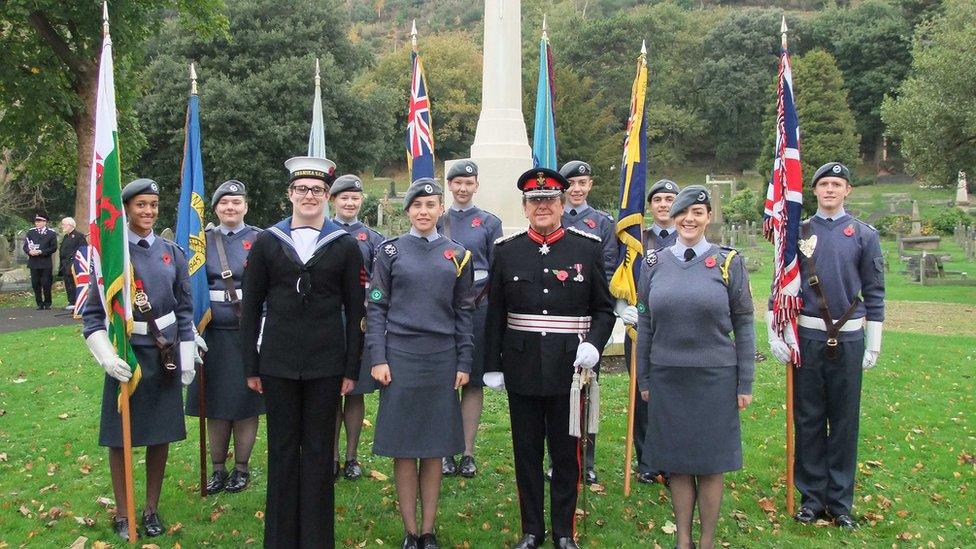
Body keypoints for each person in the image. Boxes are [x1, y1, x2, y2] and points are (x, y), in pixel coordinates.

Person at [484, 168, 615, 549]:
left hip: (569, 368)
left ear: (561, 204)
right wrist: (493, 363)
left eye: (549, 200)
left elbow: (604, 310)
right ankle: (531, 530)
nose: (542, 207)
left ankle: (563, 531)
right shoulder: (507, 251)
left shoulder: (586, 248)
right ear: (525, 208)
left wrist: (594, 342)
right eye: (535, 201)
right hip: (522, 366)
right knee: (525, 453)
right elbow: (495, 312)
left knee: (566, 454)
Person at [240, 156, 365, 549]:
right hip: (276, 363)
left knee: (317, 453)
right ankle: (279, 539)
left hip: (325, 364)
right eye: (301, 189)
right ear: (290, 194)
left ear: (326, 196)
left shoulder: (344, 245)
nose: (309, 196)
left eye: (316, 190)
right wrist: (251, 365)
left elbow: (357, 309)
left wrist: (350, 368)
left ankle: (315, 539)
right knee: (281, 450)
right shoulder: (267, 241)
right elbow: (251, 306)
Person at [635, 185, 755, 549]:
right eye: (684, 212)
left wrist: (744, 381)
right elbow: (645, 323)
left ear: (707, 218)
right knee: (678, 462)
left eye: (698, 213)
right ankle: (683, 539)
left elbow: (745, 322)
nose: (689, 219)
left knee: (710, 462)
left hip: (715, 377)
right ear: (673, 217)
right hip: (668, 376)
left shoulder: (728, 262)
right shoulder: (654, 263)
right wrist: (644, 376)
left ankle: (706, 541)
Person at [767, 162, 885, 530]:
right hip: (809, 336)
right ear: (814, 191)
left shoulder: (864, 235)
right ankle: (811, 497)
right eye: (824, 184)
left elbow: (875, 291)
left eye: (837, 184)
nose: (830, 190)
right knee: (809, 418)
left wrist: (874, 341)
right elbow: (781, 284)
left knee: (845, 421)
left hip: (848, 337)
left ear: (848, 190)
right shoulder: (796, 233)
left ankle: (840, 502)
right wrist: (776, 331)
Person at [81, 178, 197, 540]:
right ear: (127, 209)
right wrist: (105, 355)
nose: (148, 211)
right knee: (121, 439)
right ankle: (122, 511)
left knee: (159, 436)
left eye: (153, 205)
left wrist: (187, 353)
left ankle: (150, 509)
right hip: (126, 357)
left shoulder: (172, 252)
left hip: (163, 357)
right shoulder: (112, 258)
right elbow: (93, 317)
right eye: (140, 205)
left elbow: (185, 308)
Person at [366, 178, 474, 549]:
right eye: (417, 206)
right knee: (404, 446)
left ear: (441, 208)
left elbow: (464, 312)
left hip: (441, 359)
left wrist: (464, 359)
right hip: (400, 359)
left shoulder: (458, 255)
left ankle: (428, 530)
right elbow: (376, 309)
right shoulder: (389, 251)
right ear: (408, 211)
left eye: (431, 205)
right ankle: (410, 531)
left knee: (433, 447)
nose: (424, 212)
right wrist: (378, 357)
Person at [186, 180, 265, 495]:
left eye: (236, 202)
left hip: (249, 334)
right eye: (224, 203)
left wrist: (265, 328)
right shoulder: (202, 242)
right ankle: (218, 469)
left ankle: (242, 469)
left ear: (245, 206)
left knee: (246, 403)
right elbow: (190, 285)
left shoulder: (261, 240)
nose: (230, 207)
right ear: (216, 208)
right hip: (212, 336)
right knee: (216, 404)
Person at [438, 160, 503, 478]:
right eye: (457, 182)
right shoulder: (438, 220)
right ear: (449, 185)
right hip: (442, 311)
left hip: (478, 309)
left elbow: (497, 269)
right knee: (447, 380)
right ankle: (445, 451)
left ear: (476, 186)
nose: (463, 188)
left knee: (472, 381)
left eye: (469, 182)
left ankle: (466, 452)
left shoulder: (490, 223)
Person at [556, 160, 617, 485]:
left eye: (582, 182)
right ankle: (558, 458)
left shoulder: (602, 223)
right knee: (558, 389)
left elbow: (608, 263)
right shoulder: (554, 216)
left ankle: (586, 459)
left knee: (588, 387)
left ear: (590, 185)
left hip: (590, 313)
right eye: (571, 184)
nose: (577, 189)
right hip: (559, 313)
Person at [329, 174, 385, 481]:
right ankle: (330, 456)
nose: (349, 203)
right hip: (327, 320)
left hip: (358, 321)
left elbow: (378, 284)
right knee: (328, 392)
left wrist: (373, 306)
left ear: (361, 201)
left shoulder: (372, 238)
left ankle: (351, 456)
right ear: (333, 201)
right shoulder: (321, 232)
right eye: (344, 198)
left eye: (354, 198)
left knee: (355, 391)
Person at [630, 179, 680, 485]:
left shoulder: (687, 239)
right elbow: (619, 274)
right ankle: (647, 460)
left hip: (677, 331)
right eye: (658, 199)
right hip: (641, 327)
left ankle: (673, 458)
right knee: (643, 394)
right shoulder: (638, 240)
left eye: (670, 199)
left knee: (675, 396)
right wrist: (623, 304)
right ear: (650, 206)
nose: (664, 204)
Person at [23, 214, 58, 310]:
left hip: (45, 262)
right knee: (35, 284)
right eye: (36, 222)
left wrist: (41, 251)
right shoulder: (31, 232)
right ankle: (39, 303)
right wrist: (29, 251)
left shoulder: (51, 233)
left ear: (44, 222)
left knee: (46, 283)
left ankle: (47, 302)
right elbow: (26, 246)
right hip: (34, 262)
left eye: (39, 221)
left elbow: (53, 247)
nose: (37, 223)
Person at [58, 217, 86, 311]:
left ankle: (77, 303)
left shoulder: (79, 236)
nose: (62, 227)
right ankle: (71, 301)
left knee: (74, 284)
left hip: (74, 265)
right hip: (65, 265)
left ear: (70, 225)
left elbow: (83, 250)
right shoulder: (66, 236)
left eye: (64, 224)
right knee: (68, 284)